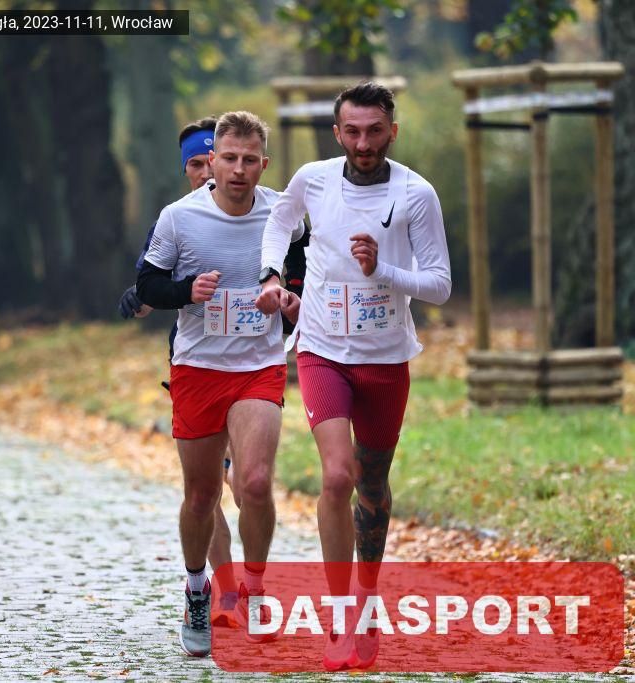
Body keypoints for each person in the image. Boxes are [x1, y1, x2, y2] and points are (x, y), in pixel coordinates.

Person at [257, 82, 451, 670]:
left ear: (393, 131)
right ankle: (342, 615)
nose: (364, 143)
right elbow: (279, 223)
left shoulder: (416, 193)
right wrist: (272, 275)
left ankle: (367, 596)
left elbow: (440, 284)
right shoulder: (313, 180)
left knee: (372, 484)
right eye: (353, 131)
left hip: (386, 358)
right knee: (337, 475)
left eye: (375, 131)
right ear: (337, 132)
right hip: (322, 350)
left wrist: (383, 269)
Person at [136, 111, 299, 657]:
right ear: (212, 160)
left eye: (249, 160)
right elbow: (148, 284)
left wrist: (291, 297)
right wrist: (186, 291)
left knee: (255, 482)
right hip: (198, 367)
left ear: (264, 164)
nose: (238, 169)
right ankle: (196, 588)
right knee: (202, 494)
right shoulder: (180, 217)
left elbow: (305, 265)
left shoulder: (282, 212)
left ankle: (255, 589)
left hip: (259, 364)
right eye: (228, 158)